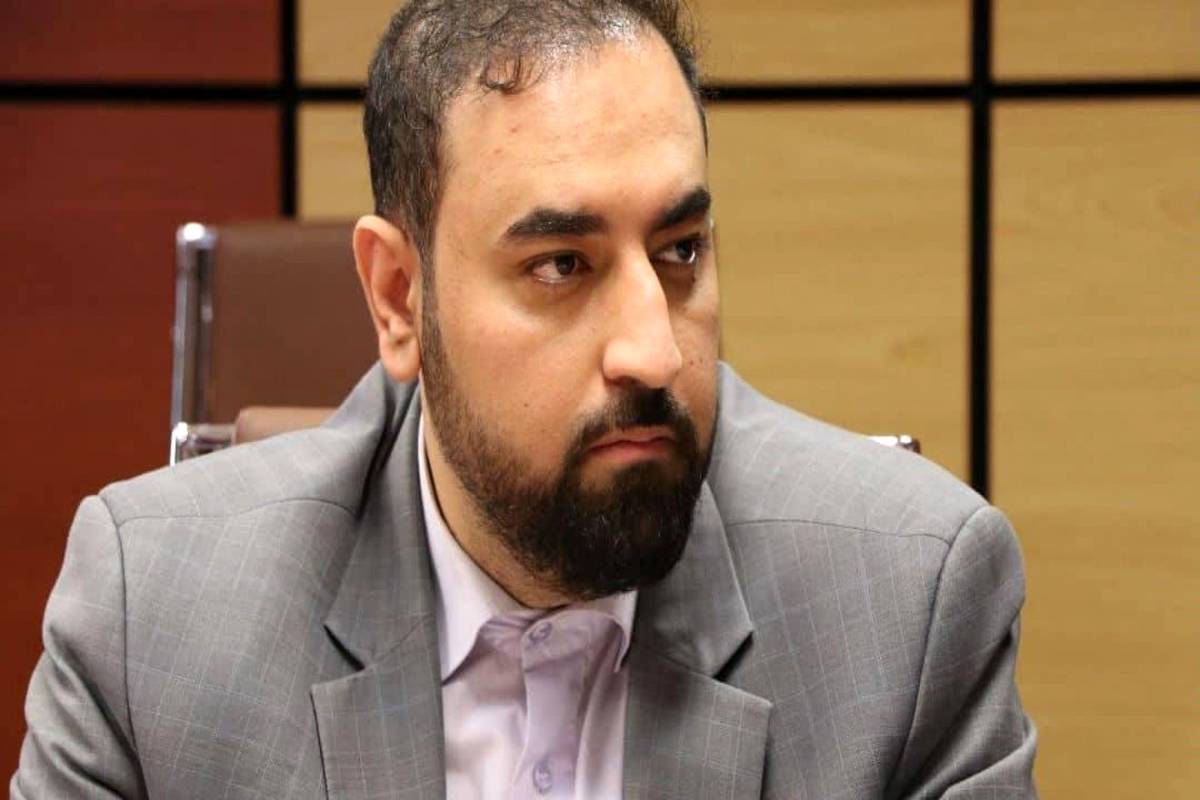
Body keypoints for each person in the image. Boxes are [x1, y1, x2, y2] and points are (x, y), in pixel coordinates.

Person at [12, 1, 1037, 797]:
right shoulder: (155, 618)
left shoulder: (909, 608)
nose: (652, 351)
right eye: (561, 265)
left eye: (681, 250)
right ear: (399, 297)